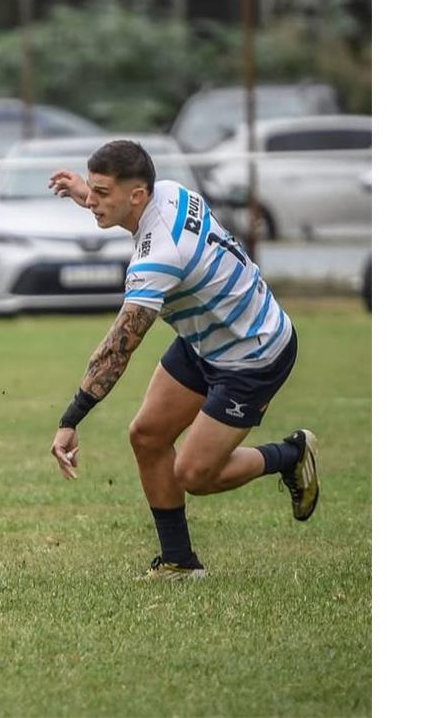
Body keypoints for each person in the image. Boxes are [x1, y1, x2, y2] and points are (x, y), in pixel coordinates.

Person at [45, 140, 319, 580]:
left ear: (137, 194)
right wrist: (87, 194)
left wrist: (71, 418)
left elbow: (117, 351)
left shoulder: (160, 258)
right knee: (147, 436)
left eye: (101, 192)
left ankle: (290, 454)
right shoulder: (170, 191)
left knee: (195, 474)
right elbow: (139, 220)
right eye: (92, 190)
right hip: (206, 338)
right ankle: (179, 562)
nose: (92, 200)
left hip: (253, 353)